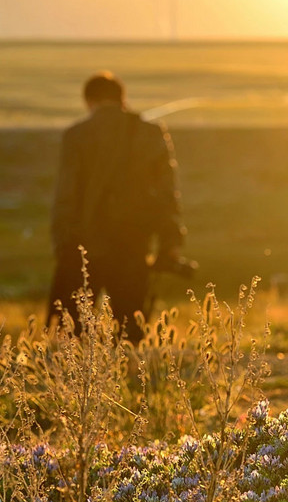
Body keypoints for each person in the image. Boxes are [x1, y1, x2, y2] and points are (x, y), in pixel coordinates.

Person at [47, 72, 185, 342]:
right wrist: (170, 242)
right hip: (134, 243)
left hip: (84, 246)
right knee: (130, 330)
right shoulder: (150, 133)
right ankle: (131, 380)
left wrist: (62, 245)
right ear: (123, 99)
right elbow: (167, 194)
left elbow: (66, 195)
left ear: (89, 102)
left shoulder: (76, 136)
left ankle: (78, 382)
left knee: (73, 332)